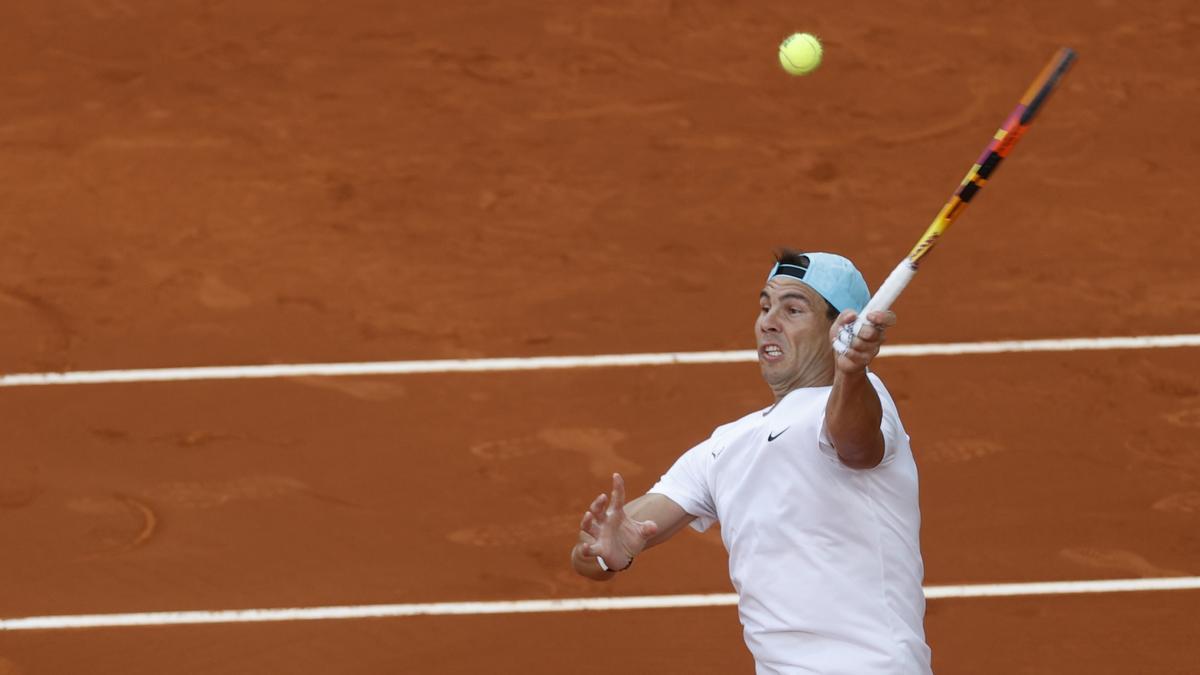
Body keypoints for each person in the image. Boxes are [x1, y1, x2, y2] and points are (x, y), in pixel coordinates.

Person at [569, 250, 932, 674]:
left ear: (841, 326)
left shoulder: (865, 401)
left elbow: (855, 446)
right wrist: (605, 551)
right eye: (764, 307)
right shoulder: (724, 446)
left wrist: (852, 373)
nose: (768, 321)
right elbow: (598, 552)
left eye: (793, 309)